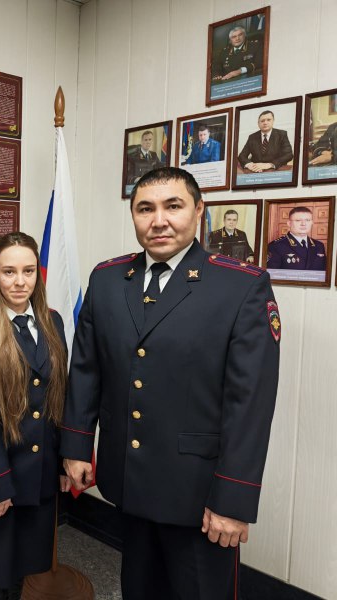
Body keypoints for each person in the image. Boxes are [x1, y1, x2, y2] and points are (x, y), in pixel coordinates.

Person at [63, 167, 280, 599]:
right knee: (140, 590)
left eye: (173, 206)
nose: (158, 220)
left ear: (199, 211)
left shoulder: (240, 286)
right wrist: (75, 446)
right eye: (145, 208)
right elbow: (86, 368)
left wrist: (232, 501)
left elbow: (249, 402)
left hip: (198, 495)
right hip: (128, 480)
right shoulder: (107, 280)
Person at [0, 232, 72, 600]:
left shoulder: (51, 321)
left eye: (28, 271)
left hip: (38, 478)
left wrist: (65, 462)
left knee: (22, 571)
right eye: (9, 272)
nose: (20, 282)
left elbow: (60, 399)